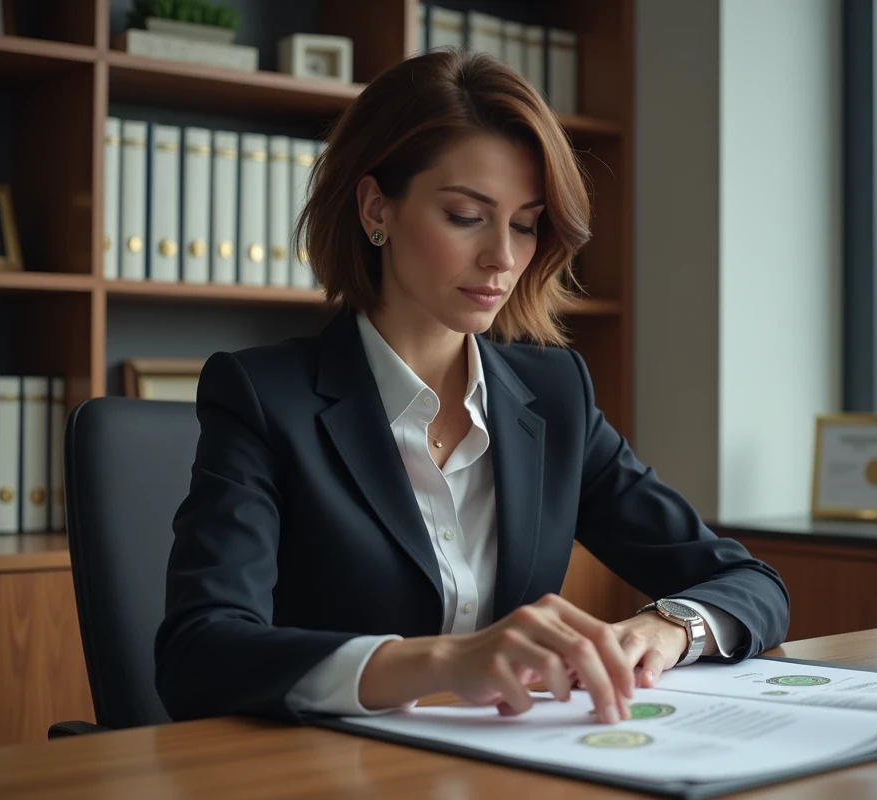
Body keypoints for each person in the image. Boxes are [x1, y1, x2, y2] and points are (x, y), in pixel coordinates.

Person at [154, 48, 790, 728]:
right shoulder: (262, 398)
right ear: (377, 209)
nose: (505, 257)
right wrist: (445, 661)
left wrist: (666, 628)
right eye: (465, 216)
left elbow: (752, 584)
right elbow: (200, 653)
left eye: (524, 224)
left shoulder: (554, 395)